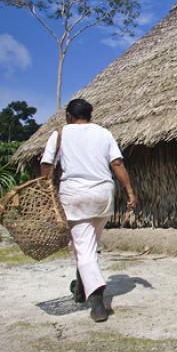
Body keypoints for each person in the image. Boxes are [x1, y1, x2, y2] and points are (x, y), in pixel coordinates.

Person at [40, 98, 137, 322]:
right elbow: (117, 164)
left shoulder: (60, 134)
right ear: (90, 115)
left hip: (75, 197)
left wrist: (45, 191)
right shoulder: (104, 134)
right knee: (88, 247)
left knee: (83, 250)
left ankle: (97, 303)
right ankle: (80, 290)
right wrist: (130, 191)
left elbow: (47, 165)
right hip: (103, 196)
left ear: (69, 116)